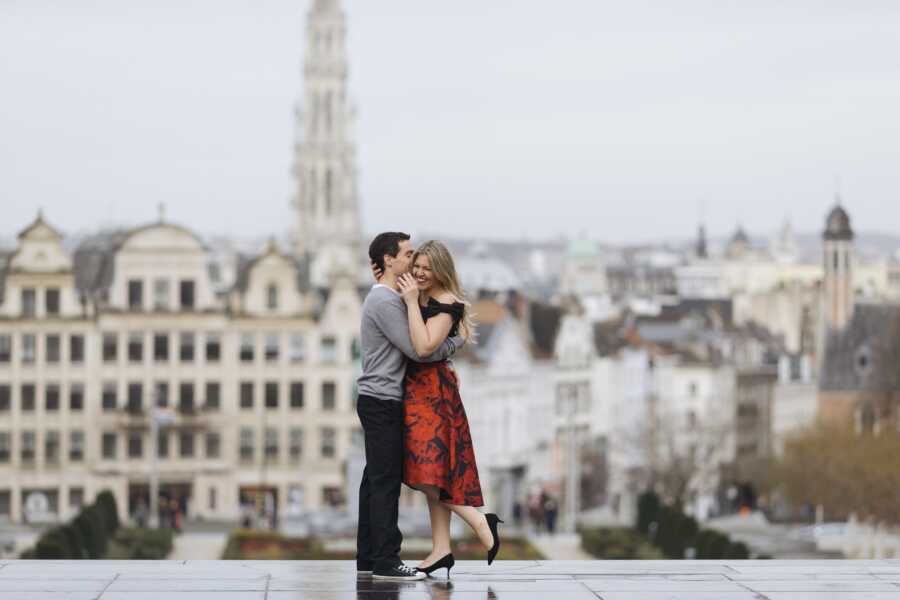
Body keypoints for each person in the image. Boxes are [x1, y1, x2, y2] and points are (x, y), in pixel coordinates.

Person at [356, 232, 465, 581]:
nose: (413, 260)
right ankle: (387, 559)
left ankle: (368, 556)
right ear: (389, 260)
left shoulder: (388, 297)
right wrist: (454, 343)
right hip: (383, 399)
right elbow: (420, 348)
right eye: (407, 254)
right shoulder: (386, 301)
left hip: (379, 398)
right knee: (386, 481)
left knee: (374, 479)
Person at [395, 240, 503, 578]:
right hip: (417, 392)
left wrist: (411, 302)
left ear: (441, 270)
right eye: (417, 267)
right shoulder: (427, 299)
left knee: (421, 469)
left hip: (432, 396)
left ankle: (478, 521)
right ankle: (441, 548)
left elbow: (425, 347)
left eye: (427, 268)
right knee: (433, 472)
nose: (420, 273)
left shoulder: (446, 302)